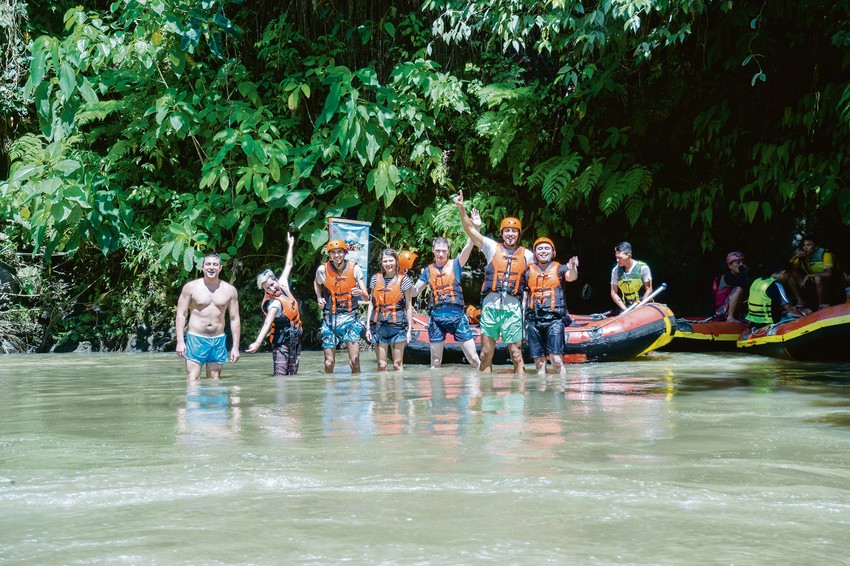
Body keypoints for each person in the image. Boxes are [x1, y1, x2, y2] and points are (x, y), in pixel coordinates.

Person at [455, 190, 533, 373]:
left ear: (519, 234)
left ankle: (519, 397)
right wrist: (461, 208)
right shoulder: (491, 247)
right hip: (491, 307)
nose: (510, 234)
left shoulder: (528, 255)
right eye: (507, 231)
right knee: (485, 355)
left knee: (516, 354)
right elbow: (470, 230)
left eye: (514, 231)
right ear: (502, 233)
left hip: (512, 309)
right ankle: (486, 397)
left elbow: (543, 271)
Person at [412, 217, 481, 369]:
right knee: (435, 362)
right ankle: (436, 392)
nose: (441, 254)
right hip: (437, 319)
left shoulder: (456, 264)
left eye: (444, 251)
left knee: (474, 359)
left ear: (448, 251)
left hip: (457, 318)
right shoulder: (427, 271)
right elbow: (414, 292)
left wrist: (476, 226)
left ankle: (481, 389)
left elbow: (470, 245)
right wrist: (404, 282)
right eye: (438, 251)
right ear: (433, 251)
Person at [175, 252, 241, 380]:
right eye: (208, 264)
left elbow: (234, 319)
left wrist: (235, 347)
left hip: (218, 340)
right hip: (196, 339)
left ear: (220, 268)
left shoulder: (230, 290)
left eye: (215, 264)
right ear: (203, 267)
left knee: (214, 382)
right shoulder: (190, 287)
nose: (211, 267)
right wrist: (180, 342)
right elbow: (181, 314)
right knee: (193, 380)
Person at [246, 232, 303, 375]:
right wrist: (258, 343)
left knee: (293, 375)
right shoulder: (274, 304)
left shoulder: (283, 285)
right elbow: (266, 324)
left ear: (276, 280)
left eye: (272, 284)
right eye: (267, 288)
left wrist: (290, 245)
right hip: (282, 342)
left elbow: (288, 265)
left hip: (295, 338)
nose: (272, 289)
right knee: (280, 377)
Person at [521, 237, 578, 376]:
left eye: (547, 248)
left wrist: (573, 267)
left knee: (556, 360)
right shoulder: (528, 272)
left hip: (554, 320)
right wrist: (523, 322)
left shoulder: (560, 269)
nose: (543, 251)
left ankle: (561, 391)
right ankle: (541, 395)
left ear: (553, 252)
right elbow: (524, 299)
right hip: (534, 321)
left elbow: (571, 277)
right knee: (539, 363)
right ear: (535, 253)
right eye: (540, 248)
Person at [313, 239, 369, 373]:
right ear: (329, 255)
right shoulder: (322, 270)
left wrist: (360, 292)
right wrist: (319, 298)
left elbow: (367, 297)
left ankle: (355, 391)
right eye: (333, 253)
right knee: (329, 363)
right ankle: (329, 389)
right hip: (330, 319)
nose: (337, 255)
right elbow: (316, 283)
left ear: (345, 253)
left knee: (354, 362)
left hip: (350, 319)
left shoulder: (355, 269)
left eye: (340, 252)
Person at [366, 249, 414, 371]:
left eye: (391, 260)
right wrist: (367, 328)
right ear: (381, 263)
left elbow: (408, 306)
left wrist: (409, 330)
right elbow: (371, 304)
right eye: (385, 261)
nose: (388, 264)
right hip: (378, 325)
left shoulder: (405, 280)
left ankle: (398, 390)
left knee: (397, 364)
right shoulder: (375, 279)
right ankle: (383, 390)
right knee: (382, 365)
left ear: (396, 261)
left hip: (397, 326)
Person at [785, 235, 838, 310]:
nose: (805, 248)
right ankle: (800, 301)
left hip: (829, 285)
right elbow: (789, 270)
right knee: (789, 274)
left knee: (818, 278)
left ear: (816, 246)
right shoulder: (802, 257)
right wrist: (794, 257)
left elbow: (829, 273)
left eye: (808, 245)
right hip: (813, 285)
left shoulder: (825, 255)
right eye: (804, 245)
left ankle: (821, 305)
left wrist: (809, 275)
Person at [745, 264, 807, 329]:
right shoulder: (775, 284)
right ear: (783, 272)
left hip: (754, 323)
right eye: (788, 276)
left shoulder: (757, 281)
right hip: (768, 322)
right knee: (806, 312)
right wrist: (804, 318)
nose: (787, 279)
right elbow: (789, 308)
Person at [610, 242, 652, 312]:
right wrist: (625, 310)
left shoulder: (643, 268)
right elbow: (613, 292)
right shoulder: (615, 271)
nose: (617, 260)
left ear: (629, 256)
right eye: (616, 257)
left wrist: (640, 306)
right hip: (626, 307)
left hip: (643, 304)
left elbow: (649, 289)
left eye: (620, 258)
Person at [713, 251, 749, 322]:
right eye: (738, 263)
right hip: (722, 311)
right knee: (739, 289)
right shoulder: (727, 276)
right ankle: (730, 317)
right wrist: (742, 270)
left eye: (742, 263)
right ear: (730, 266)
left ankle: (737, 315)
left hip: (736, 311)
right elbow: (742, 284)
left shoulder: (740, 277)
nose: (741, 265)